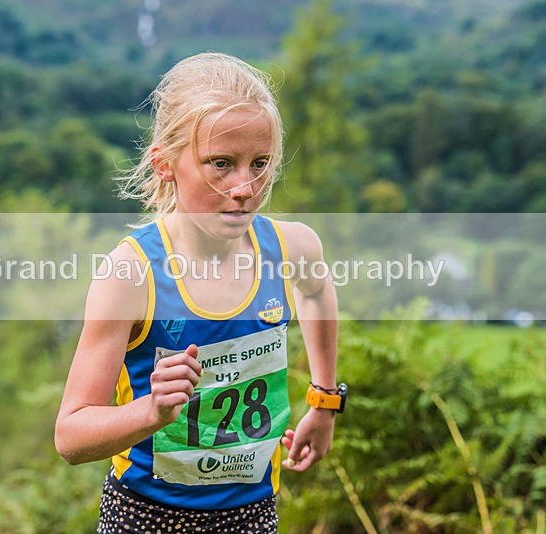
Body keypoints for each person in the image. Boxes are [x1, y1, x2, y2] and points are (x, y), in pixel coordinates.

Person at [55, 52, 341, 533]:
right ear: (164, 164)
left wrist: (325, 398)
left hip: (253, 516)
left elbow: (316, 293)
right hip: (144, 517)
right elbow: (70, 435)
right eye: (221, 164)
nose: (245, 187)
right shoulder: (131, 274)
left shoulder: (292, 246)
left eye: (260, 164)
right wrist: (152, 410)